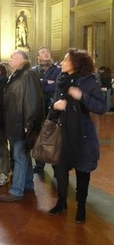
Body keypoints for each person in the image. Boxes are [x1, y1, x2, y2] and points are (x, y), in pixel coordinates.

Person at [47, 48, 107, 223]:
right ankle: (61, 201)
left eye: (66, 60)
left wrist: (81, 96)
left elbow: (101, 108)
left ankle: (81, 207)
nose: (62, 63)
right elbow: (56, 104)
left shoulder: (89, 81)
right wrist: (54, 108)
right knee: (60, 170)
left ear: (76, 63)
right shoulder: (62, 79)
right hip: (62, 133)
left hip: (82, 136)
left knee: (82, 173)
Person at [0, 50, 44, 202]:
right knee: (23, 154)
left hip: (21, 124)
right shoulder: (17, 75)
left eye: (12, 57)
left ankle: (16, 190)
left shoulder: (27, 74)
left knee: (19, 155)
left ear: (20, 59)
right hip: (15, 122)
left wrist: (29, 122)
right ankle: (27, 184)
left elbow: (32, 101)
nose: (9, 60)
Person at [32, 46, 61, 173]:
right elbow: (34, 87)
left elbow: (56, 86)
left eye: (47, 52)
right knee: (39, 135)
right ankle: (39, 165)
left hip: (52, 106)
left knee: (55, 135)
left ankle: (56, 166)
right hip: (38, 107)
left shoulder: (58, 69)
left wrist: (42, 83)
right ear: (38, 57)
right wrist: (46, 82)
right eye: (43, 52)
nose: (46, 54)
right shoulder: (34, 70)